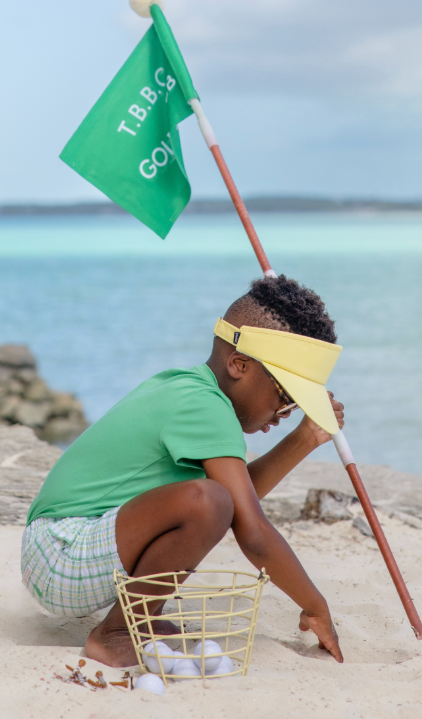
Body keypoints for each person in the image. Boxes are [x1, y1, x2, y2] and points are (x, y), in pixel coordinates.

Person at [21, 274, 346, 666]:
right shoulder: (204, 406)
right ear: (239, 364)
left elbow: (238, 504)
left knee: (214, 500)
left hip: (63, 550)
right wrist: (315, 605)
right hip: (60, 554)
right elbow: (251, 529)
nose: (285, 412)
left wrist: (304, 439)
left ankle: (134, 621)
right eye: (285, 396)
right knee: (207, 501)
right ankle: (117, 632)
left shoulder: (192, 388)